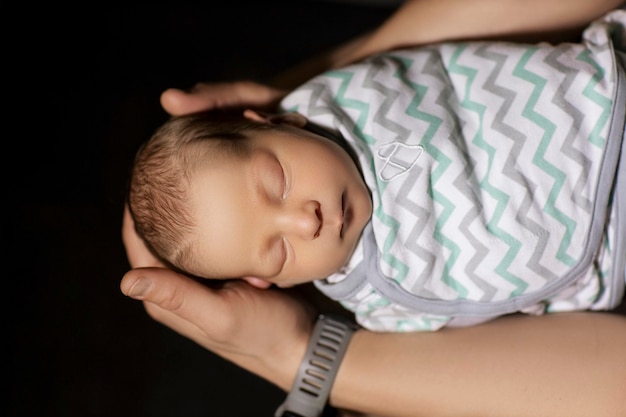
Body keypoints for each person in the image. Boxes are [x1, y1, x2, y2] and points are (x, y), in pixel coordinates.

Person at [122, 0, 626, 416]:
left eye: (277, 181)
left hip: (602, 90)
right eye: (277, 253)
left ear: (278, 122)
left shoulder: (339, 98)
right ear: (267, 285)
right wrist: (294, 351)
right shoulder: (383, 300)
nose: (304, 220)